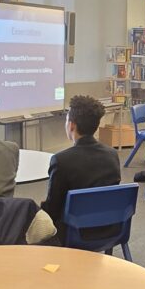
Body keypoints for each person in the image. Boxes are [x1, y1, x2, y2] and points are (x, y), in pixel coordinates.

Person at [41, 94, 121, 239]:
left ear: (72, 125)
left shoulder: (61, 160)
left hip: (73, 232)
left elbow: (53, 209)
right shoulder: (112, 154)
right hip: (110, 228)